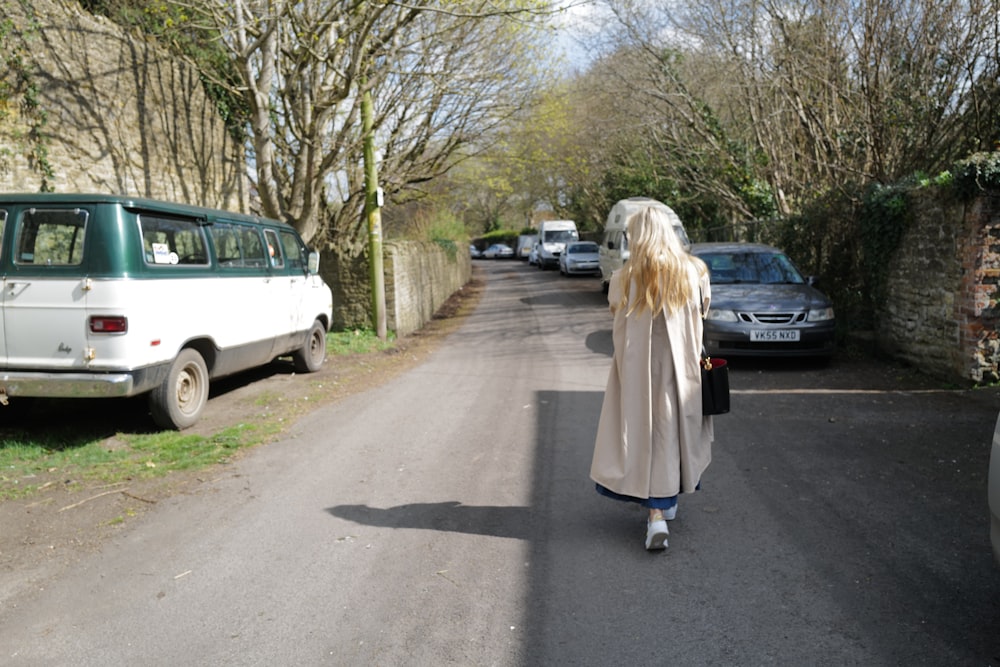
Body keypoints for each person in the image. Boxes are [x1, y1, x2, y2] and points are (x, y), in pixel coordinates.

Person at [589, 204, 714, 550]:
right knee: (674, 433)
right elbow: (704, 312)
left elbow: (616, 312)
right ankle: (663, 504)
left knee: (644, 435)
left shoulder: (624, 277)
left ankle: (656, 514)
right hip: (683, 373)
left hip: (637, 373)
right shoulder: (696, 271)